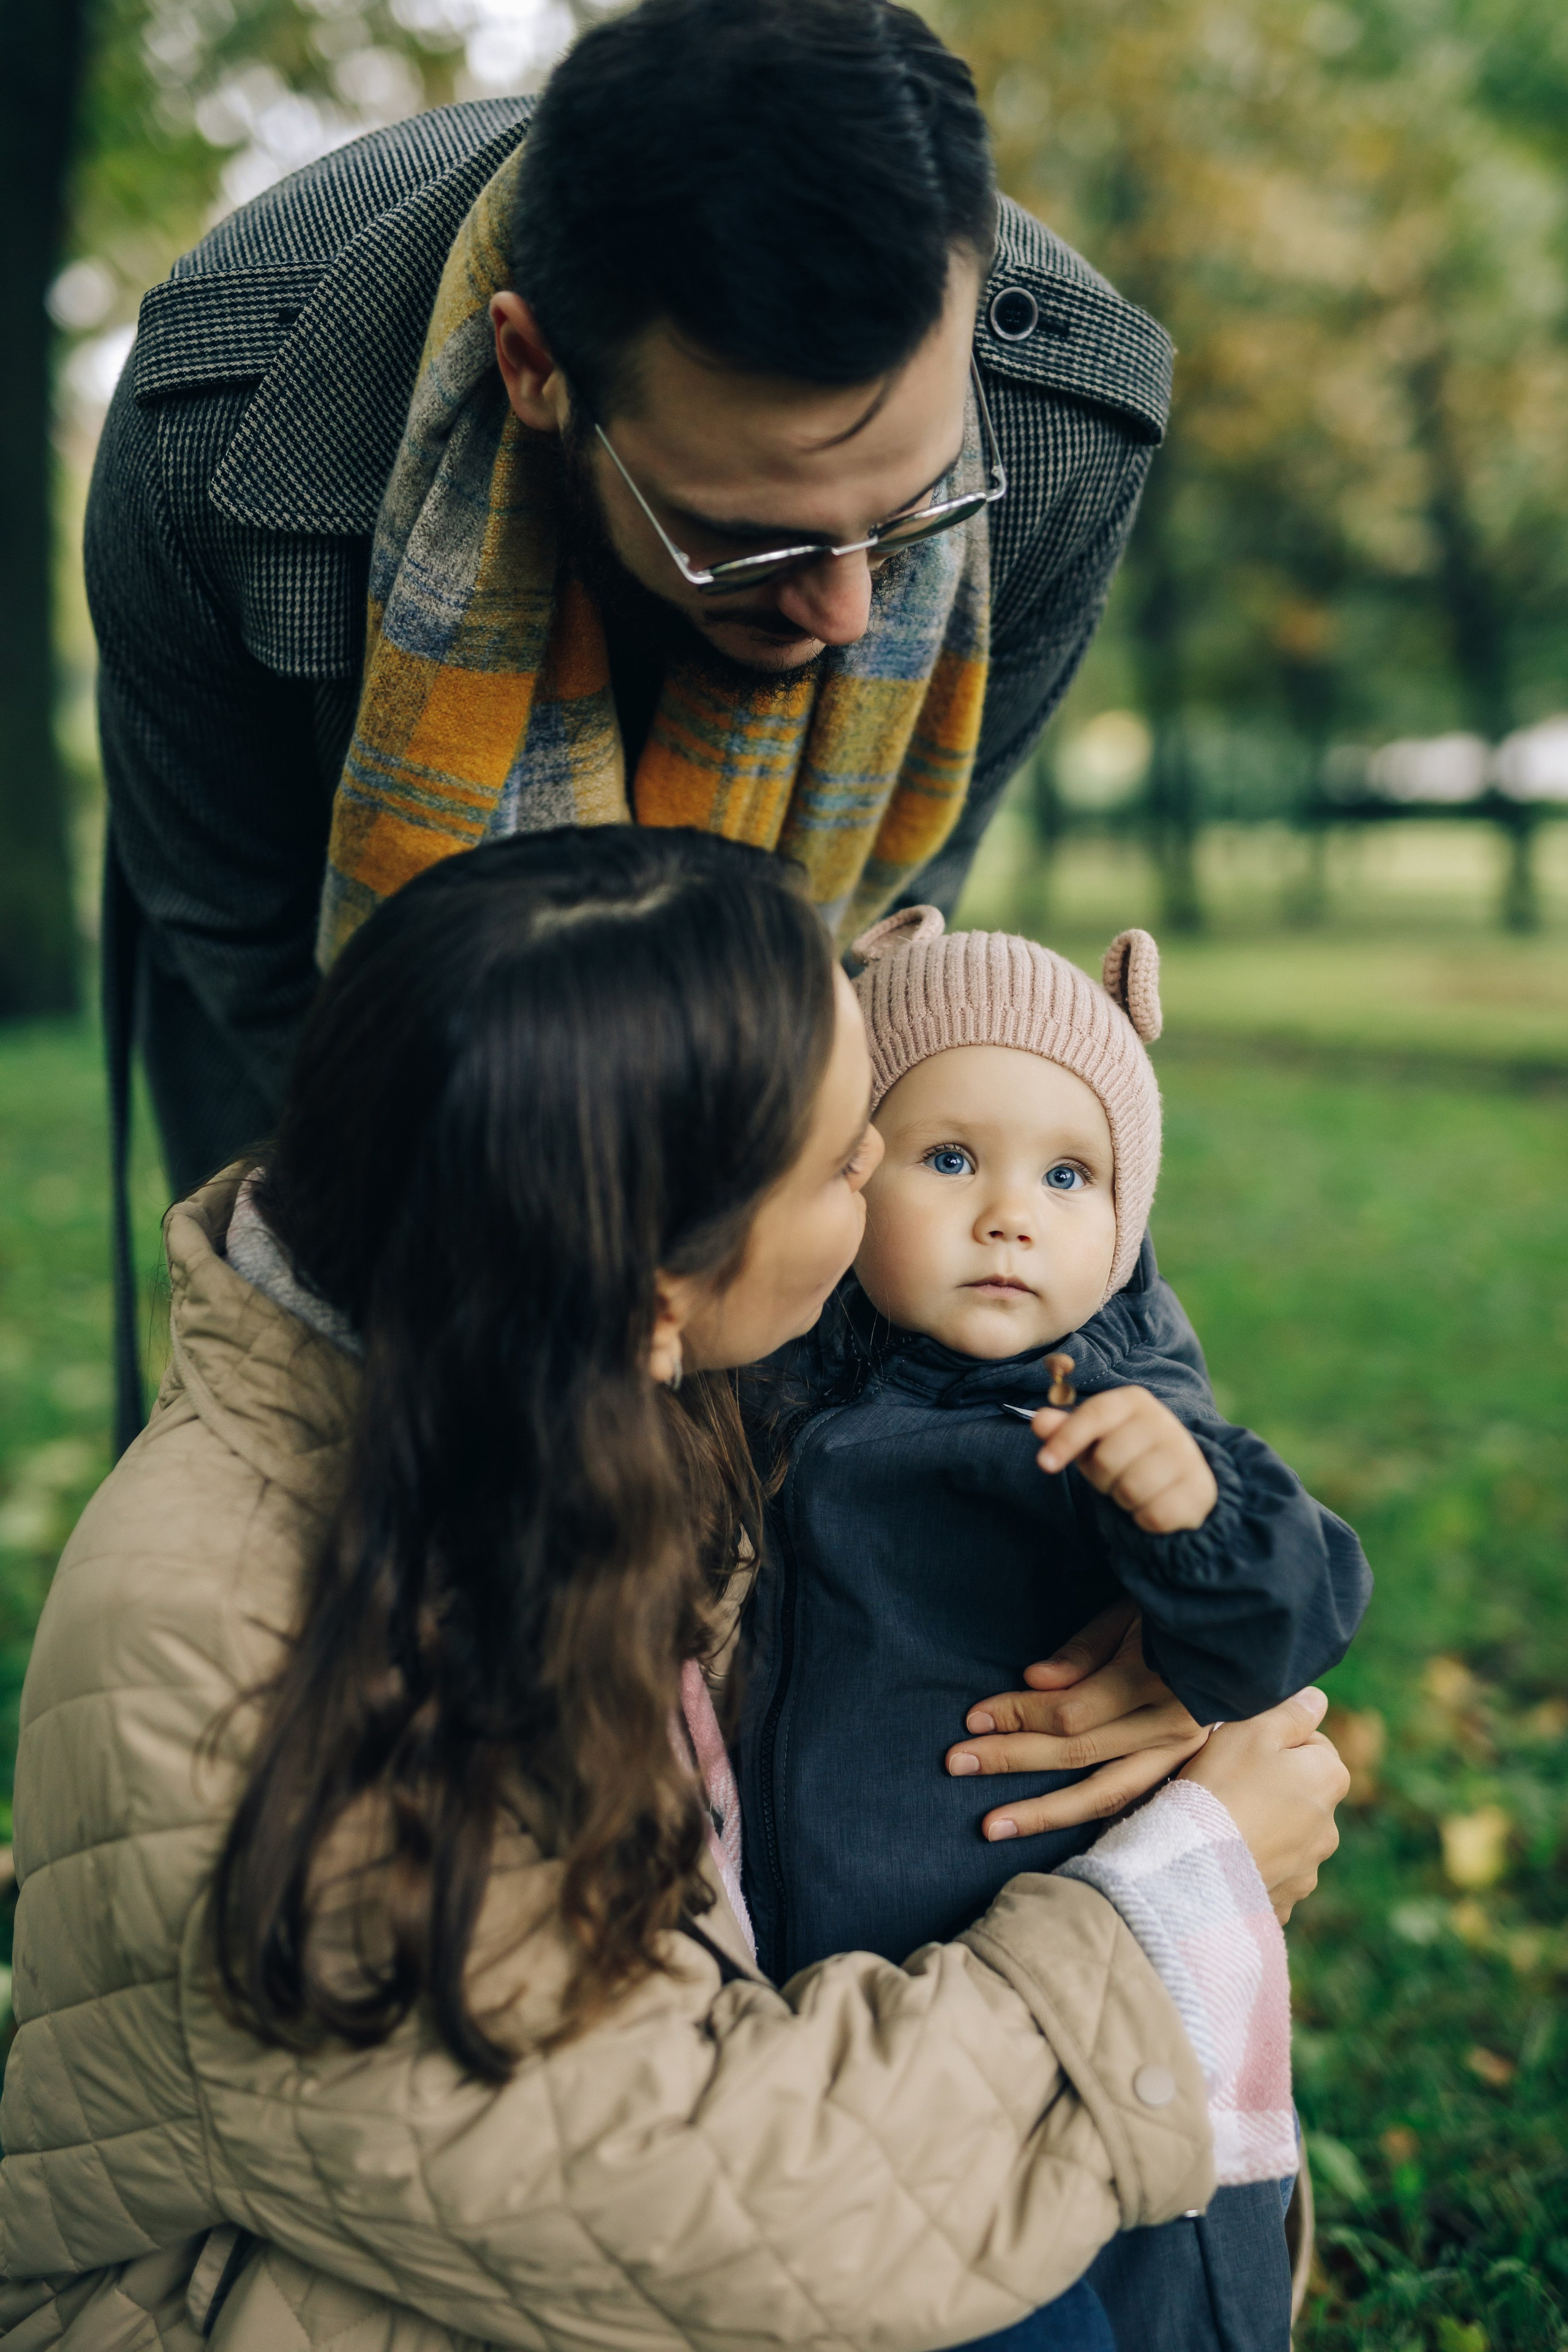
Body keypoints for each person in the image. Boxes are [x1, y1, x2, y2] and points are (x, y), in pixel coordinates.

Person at [0, 829, 1348, 2352]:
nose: (925, 1198)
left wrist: (1176, 1619)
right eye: (861, 1164)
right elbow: (727, 2209)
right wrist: (1175, 1912)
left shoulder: (528, 1346)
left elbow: (1107, 1285)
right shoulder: (241, 1656)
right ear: (654, 1296)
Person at [87, 0, 1173, 1359]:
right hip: (316, 1012)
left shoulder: (1062, 422)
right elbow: (228, 908)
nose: (844, 613)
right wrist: (523, 1227)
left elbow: (904, 895)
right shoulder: (213, 424)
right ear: (533, 366)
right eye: (746, 536)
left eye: (905, 517)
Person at [739, 905, 1374, 2348]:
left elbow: (1280, 1621)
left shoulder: (1102, 1417)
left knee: (1090, 2287)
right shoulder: (774, 1378)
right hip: (842, 2001)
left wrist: (1185, 1508)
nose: (1006, 1212)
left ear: (1125, 1217)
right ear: (846, 1176)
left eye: (1068, 1174)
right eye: (948, 1158)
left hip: (1080, 1996)